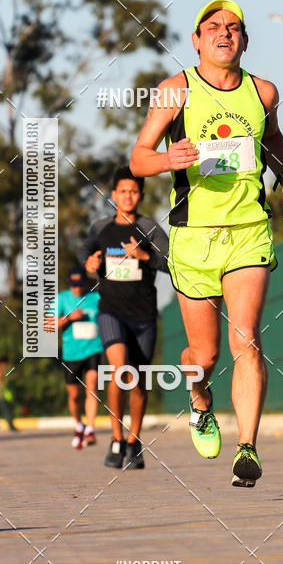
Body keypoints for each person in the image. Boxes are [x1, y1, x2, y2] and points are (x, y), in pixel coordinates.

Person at [130, 0, 283, 487]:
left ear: (245, 40)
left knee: (245, 339)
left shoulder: (263, 91)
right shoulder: (175, 91)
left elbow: (273, 140)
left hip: (248, 230)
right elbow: (138, 158)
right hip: (193, 239)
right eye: (213, 28)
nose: (224, 34)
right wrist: (169, 160)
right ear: (197, 40)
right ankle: (200, 398)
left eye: (233, 28)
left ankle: (247, 447)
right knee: (202, 357)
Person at [78, 165, 169, 469]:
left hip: (143, 314)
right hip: (111, 311)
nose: (128, 196)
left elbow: (171, 263)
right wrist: (89, 262)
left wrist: (146, 257)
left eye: (133, 191)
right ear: (113, 195)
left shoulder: (150, 228)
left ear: (140, 195)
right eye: (122, 191)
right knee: (119, 371)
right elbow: (84, 252)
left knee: (139, 382)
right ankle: (116, 439)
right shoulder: (101, 227)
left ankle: (134, 441)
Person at [49, 266, 104, 449]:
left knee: (92, 387)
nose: (77, 289)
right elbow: (48, 326)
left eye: (80, 285)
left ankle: (89, 428)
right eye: (74, 285)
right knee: (73, 395)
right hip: (71, 354)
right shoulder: (62, 299)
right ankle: (78, 423)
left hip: (93, 350)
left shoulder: (96, 298)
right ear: (69, 284)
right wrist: (69, 318)